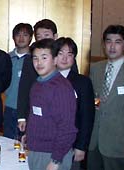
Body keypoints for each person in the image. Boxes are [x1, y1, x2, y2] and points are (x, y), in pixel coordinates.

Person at [17, 19, 78, 134]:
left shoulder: (65, 58)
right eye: (39, 36)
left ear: (55, 36)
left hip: (60, 112)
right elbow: (23, 89)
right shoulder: (30, 59)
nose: (43, 39)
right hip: (35, 113)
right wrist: (22, 117)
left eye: (46, 35)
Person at [26, 39, 77, 170]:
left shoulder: (61, 88)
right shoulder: (37, 84)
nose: (39, 63)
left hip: (53, 154)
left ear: (55, 60)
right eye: (35, 58)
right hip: (36, 150)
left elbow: (67, 129)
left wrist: (56, 160)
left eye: (44, 57)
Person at [88, 25, 124, 170]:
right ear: (103, 44)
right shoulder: (95, 68)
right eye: (108, 41)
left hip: (119, 141)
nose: (112, 46)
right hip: (94, 140)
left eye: (117, 42)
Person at [55, 37, 95, 169]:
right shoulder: (45, 79)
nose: (65, 58)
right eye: (60, 53)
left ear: (74, 58)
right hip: (48, 142)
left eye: (69, 54)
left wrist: (81, 147)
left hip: (72, 144)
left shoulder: (83, 82)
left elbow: (87, 117)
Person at [3, 23, 33, 139]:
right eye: (18, 35)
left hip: (28, 110)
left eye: (25, 35)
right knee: (8, 142)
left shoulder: (35, 59)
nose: (21, 38)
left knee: (24, 146)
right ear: (13, 37)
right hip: (9, 108)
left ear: (30, 37)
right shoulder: (6, 58)